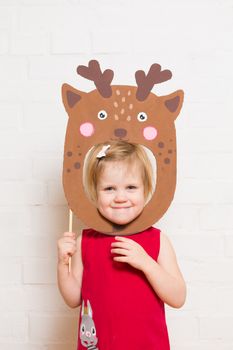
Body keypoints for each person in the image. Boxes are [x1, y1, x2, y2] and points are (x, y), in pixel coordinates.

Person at [57, 140, 186, 350]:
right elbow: (73, 299)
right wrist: (63, 263)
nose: (120, 197)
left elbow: (178, 297)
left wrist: (146, 263)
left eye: (131, 187)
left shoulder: (157, 240)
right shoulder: (85, 242)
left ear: (146, 190)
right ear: (94, 192)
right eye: (109, 188)